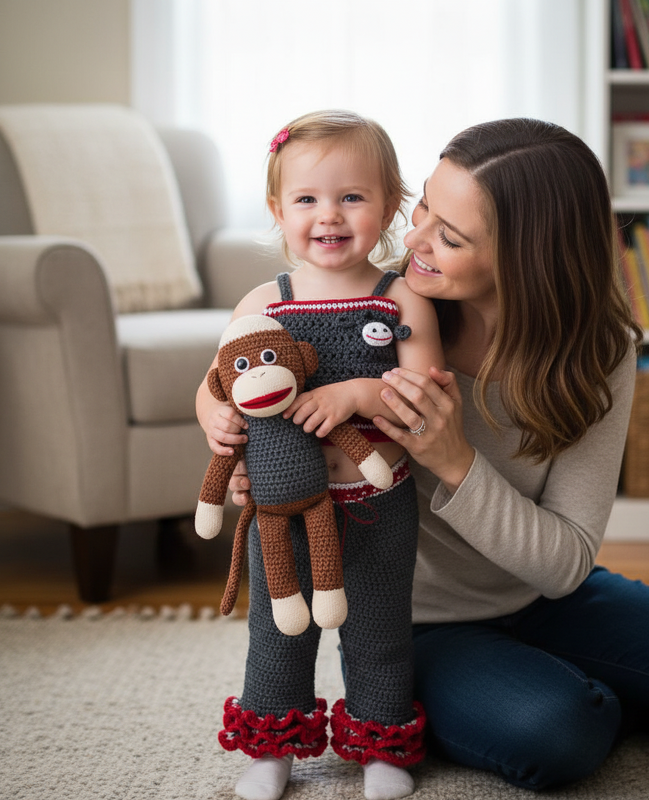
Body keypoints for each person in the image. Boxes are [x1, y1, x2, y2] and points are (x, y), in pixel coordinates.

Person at [228, 117, 649, 792]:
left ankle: (564, 684)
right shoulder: (373, 316)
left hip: (539, 593)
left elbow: (565, 565)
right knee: (558, 735)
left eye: (450, 235)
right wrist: (259, 465)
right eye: (424, 210)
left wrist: (455, 460)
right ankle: (554, 694)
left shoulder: (599, 352)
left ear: (528, 257)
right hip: (413, 620)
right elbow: (263, 398)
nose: (411, 241)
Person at [196, 110, 444, 800]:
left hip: (377, 504)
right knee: (280, 631)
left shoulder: (401, 302)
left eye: (352, 197)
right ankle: (274, 743)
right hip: (282, 504)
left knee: (378, 626)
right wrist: (213, 416)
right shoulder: (263, 302)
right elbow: (216, 382)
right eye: (306, 199)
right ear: (278, 209)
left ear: (392, 202)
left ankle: (382, 740)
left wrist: (358, 392)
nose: (328, 216)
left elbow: (421, 395)